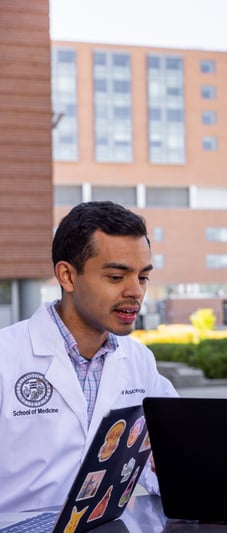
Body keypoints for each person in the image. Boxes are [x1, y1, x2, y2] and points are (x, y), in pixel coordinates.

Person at [0, 201, 177, 513]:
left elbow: (170, 460)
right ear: (67, 276)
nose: (135, 291)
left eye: (143, 277)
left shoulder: (139, 360)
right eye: (115, 277)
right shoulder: (6, 357)